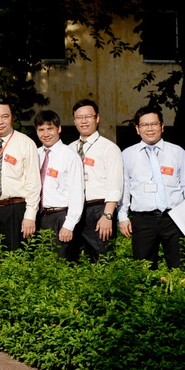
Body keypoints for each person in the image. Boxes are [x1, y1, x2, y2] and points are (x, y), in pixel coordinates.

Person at [118, 105, 185, 268]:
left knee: (180, 267)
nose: (149, 129)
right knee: (143, 270)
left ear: (162, 126)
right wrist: (122, 216)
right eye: (144, 125)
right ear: (137, 129)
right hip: (142, 220)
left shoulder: (177, 152)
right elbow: (125, 189)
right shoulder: (127, 155)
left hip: (174, 218)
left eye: (154, 124)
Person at [0, 98, 41, 254]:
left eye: (5, 116)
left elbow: (33, 182)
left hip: (15, 209)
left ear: (12, 117)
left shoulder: (26, 143)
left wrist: (30, 215)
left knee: (15, 256)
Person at [68, 98, 123, 262]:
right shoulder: (69, 149)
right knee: (76, 260)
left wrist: (108, 215)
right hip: (75, 210)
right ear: (74, 121)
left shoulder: (109, 148)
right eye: (79, 117)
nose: (83, 121)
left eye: (88, 117)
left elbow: (115, 185)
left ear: (97, 118)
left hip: (98, 209)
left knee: (103, 258)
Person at [33, 110, 84, 259]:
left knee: (61, 263)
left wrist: (69, 225)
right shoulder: (35, 154)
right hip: (39, 217)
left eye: (50, 129)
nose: (46, 134)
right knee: (40, 263)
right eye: (41, 129)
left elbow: (77, 193)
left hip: (61, 217)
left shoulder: (70, 156)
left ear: (59, 129)